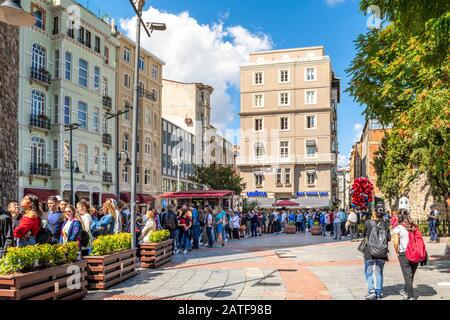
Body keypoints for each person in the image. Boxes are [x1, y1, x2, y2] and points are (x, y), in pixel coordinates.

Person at [362, 208, 391, 300]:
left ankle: (371, 291)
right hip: (382, 252)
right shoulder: (386, 224)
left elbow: (364, 234)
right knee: (379, 272)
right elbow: (389, 238)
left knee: (368, 271)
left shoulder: (368, 223)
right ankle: (378, 292)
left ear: (374, 213)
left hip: (369, 251)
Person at [393, 210, 420, 300]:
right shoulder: (413, 227)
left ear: (399, 217)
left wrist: (396, 251)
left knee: (407, 275)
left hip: (404, 253)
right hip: (416, 252)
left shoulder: (398, 228)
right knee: (411, 274)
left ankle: (411, 297)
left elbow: (396, 242)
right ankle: (405, 290)